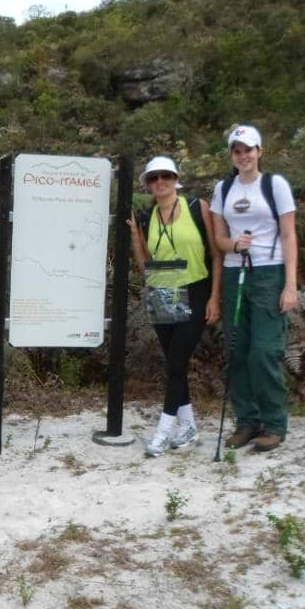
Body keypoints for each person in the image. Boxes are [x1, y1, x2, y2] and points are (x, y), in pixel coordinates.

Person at [209, 126, 298, 452]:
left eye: (249, 150)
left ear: (260, 151)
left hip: (268, 274)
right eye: (237, 151)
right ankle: (247, 421)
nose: (243, 156)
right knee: (238, 351)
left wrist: (290, 285)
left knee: (264, 351)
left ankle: (274, 424)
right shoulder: (224, 188)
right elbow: (218, 240)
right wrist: (234, 243)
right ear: (232, 155)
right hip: (236, 274)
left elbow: (289, 236)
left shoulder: (275, 185)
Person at [128, 156, 222, 457]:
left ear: (175, 178)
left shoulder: (198, 208)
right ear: (147, 184)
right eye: (153, 178)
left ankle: (163, 432)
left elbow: (217, 255)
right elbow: (146, 264)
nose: (159, 183)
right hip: (161, 292)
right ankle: (189, 426)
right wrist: (134, 236)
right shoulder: (147, 216)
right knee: (175, 364)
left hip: (194, 290)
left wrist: (214, 297)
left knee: (176, 362)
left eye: (165, 176)